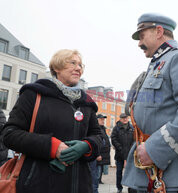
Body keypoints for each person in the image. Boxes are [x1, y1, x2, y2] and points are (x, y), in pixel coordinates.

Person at [122, 13, 178, 193]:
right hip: (146, 172)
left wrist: (154, 149)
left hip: (172, 175)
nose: (139, 43)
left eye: (142, 36)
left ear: (159, 31)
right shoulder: (155, 65)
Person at [2, 49, 102, 193]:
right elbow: (9, 134)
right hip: (38, 184)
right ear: (56, 67)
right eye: (73, 63)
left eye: (80, 65)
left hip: (80, 186)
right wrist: (51, 146)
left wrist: (87, 146)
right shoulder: (34, 94)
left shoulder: (87, 103)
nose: (78, 68)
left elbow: (98, 136)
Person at [111, 113, 134, 193]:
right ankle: (119, 188)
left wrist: (132, 148)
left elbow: (135, 139)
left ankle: (131, 188)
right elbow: (113, 139)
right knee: (119, 172)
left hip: (130, 155)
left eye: (126, 118)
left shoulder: (132, 128)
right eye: (123, 118)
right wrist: (120, 147)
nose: (125, 119)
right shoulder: (116, 128)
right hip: (119, 155)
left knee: (130, 172)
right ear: (120, 119)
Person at [96, 114, 111, 184]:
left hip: (104, 154)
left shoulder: (103, 129)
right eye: (101, 119)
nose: (103, 121)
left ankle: (99, 180)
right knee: (98, 169)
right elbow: (96, 142)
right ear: (97, 120)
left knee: (101, 168)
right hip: (99, 154)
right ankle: (97, 181)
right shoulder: (96, 129)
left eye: (103, 119)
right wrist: (97, 154)